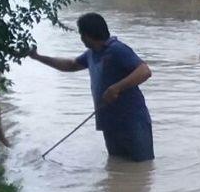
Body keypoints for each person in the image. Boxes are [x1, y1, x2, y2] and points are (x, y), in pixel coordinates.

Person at [29, 12, 154, 162]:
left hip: (133, 122)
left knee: (143, 167)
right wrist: (38, 57)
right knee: (118, 167)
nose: (81, 38)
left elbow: (144, 71)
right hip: (109, 122)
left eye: (81, 34)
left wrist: (117, 88)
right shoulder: (92, 54)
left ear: (86, 35)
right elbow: (70, 65)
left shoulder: (117, 50)